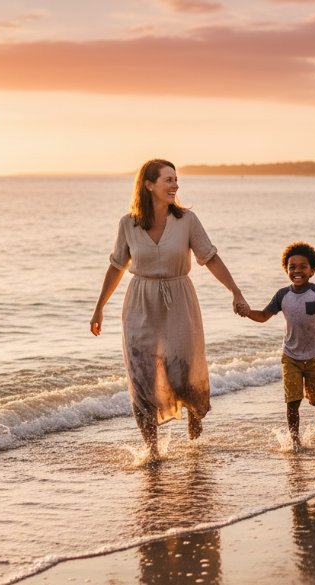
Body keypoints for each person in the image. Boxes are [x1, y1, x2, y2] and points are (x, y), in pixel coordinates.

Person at [91, 159, 249, 460]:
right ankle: (152, 452)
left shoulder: (187, 220)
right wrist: (99, 308)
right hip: (140, 303)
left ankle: (194, 425)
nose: (175, 185)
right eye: (168, 179)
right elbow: (116, 267)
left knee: (183, 376)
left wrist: (235, 292)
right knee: (142, 376)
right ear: (149, 184)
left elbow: (210, 258)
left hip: (179, 300)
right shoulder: (128, 223)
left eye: (176, 179)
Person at [243, 242, 315, 448]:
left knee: (314, 397)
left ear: (312, 270)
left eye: (302, 266)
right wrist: (246, 311)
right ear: (286, 270)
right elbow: (263, 316)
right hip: (290, 357)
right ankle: (295, 442)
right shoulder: (282, 295)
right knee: (292, 401)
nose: (297, 270)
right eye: (292, 267)